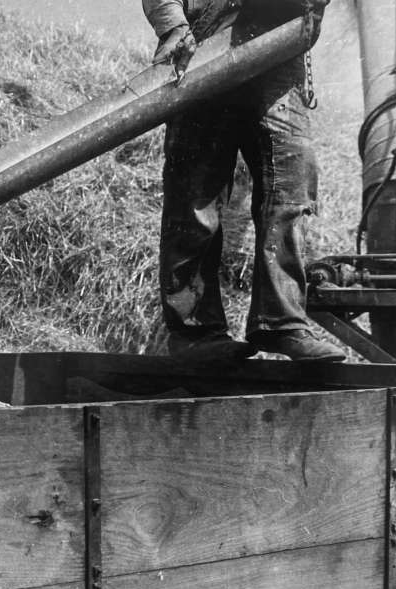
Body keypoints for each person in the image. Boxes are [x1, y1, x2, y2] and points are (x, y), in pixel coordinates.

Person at [143, 0, 346, 362]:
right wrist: (173, 27)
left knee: (291, 183)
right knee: (195, 195)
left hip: (279, 46)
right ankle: (195, 333)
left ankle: (281, 323)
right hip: (205, 42)